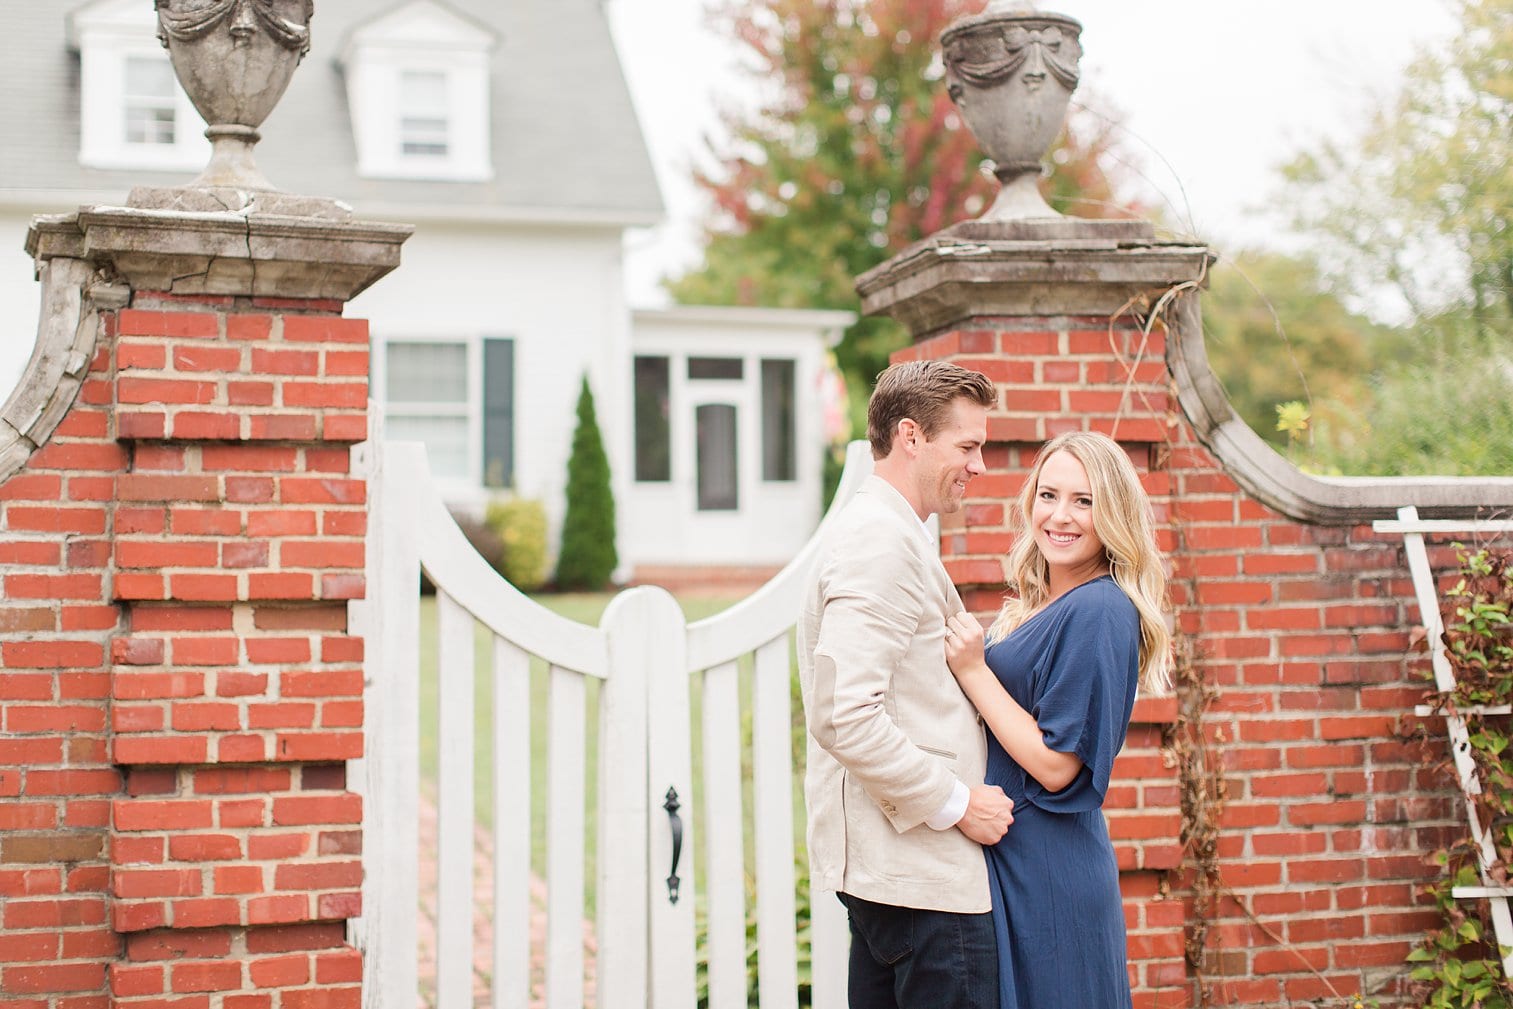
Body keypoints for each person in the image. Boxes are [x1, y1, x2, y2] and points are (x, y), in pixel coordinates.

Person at [798, 360, 1016, 1009]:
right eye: (967, 445)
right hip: (922, 881)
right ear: (910, 436)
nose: (978, 464)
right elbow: (844, 714)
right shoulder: (880, 543)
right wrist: (956, 803)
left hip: (898, 878)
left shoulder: (890, 531)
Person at [943, 430, 1171, 1009]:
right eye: (1048, 495)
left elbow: (1057, 766)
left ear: (1112, 513)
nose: (1060, 516)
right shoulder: (1045, 599)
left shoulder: (1101, 610)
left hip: (1049, 870)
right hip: (1013, 853)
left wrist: (974, 670)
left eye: (1084, 501)